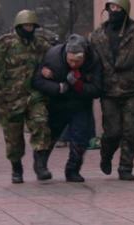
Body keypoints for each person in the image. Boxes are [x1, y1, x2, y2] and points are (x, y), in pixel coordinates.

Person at [0, 10, 52, 184]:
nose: (29, 29)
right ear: (18, 26)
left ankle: (40, 165)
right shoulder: (4, 44)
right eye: (26, 26)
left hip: (34, 96)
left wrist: (51, 71)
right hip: (9, 99)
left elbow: (54, 59)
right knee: (13, 138)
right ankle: (16, 168)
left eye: (32, 26)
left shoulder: (41, 44)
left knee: (41, 124)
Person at [89, 0, 134, 181]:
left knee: (131, 131)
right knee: (112, 132)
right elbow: (91, 62)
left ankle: (125, 167)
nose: (114, 11)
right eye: (112, 7)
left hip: (132, 90)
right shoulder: (97, 36)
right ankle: (106, 155)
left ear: (125, 10)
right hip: (108, 91)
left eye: (118, 8)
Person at [33, 34, 102, 182]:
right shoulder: (52, 57)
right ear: (65, 55)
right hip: (57, 103)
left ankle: (72, 170)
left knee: (80, 137)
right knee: (49, 135)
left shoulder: (94, 61)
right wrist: (57, 87)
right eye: (70, 60)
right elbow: (38, 81)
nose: (73, 64)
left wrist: (79, 85)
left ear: (85, 57)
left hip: (81, 104)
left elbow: (97, 89)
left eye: (78, 61)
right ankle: (40, 166)